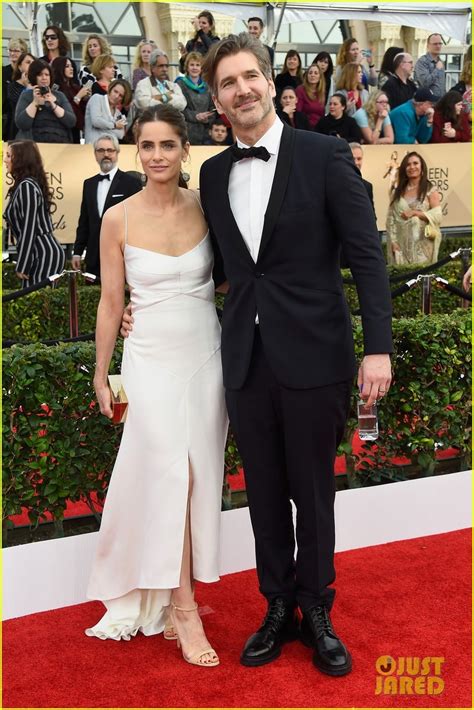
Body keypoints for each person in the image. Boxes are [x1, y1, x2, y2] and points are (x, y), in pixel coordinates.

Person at [197, 33, 392, 674]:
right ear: (217, 99)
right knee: (263, 491)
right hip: (246, 361)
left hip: (316, 355)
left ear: (267, 82)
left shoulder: (326, 154)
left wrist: (379, 350)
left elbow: (366, 258)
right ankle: (277, 603)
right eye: (227, 83)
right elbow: (224, 269)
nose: (241, 90)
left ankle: (318, 606)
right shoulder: (214, 172)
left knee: (313, 491)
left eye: (249, 76)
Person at [87, 104, 228, 670]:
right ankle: (184, 608)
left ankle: (175, 591)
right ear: (135, 152)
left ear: (184, 149)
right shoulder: (117, 218)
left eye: (167, 145)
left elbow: (233, 278)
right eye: (146, 146)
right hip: (149, 359)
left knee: (199, 478)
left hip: (206, 355)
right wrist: (101, 373)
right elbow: (109, 302)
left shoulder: (207, 208)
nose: (157, 156)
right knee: (176, 471)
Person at [72, 134, 142, 281]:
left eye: (110, 150)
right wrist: (77, 252)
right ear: (95, 154)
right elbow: (84, 221)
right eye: (101, 150)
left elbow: (137, 223)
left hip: (122, 258)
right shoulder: (88, 184)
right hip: (93, 259)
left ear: (117, 153)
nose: (106, 154)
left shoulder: (131, 183)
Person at [3, 140, 65, 286]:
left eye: (8, 156)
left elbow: (29, 228)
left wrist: (23, 263)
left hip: (42, 255)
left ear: (20, 159)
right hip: (39, 253)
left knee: (38, 304)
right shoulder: (25, 185)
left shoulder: (27, 186)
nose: (5, 159)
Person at [386, 151, 442, 266]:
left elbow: (437, 215)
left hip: (423, 247)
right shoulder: (397, 192)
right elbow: (391, 218)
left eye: (415, 163)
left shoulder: (429, 189)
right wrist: (393, 242)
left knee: (421, 278)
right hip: (401, 246)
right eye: (408, 164)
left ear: (422, 167)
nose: (412, 167)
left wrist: (415, 213)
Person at [15, 59, 76, 143]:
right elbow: (22, 124)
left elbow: (71, 121)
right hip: (33, 146)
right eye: (40, 75)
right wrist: (35, 102)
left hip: (60, 145)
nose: (44, 78)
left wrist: (53, 104)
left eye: (47, 75)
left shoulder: (60, 95)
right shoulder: (26, 95)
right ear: (34, 77)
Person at [176, 52, 215, 145]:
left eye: (198, 65)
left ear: (201, 68)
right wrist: (195, 116)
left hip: (206, 133)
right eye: (192, 65)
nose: (195, 68)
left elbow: (213, 107)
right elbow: (179, 109)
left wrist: (208, 117)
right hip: (187, 131)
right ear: (187, 67)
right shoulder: (180, 84)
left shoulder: (207, 85)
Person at [52, 56, 91, 143]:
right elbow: (66, 112)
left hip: (76, 131)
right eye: (67, 66)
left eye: (71, 66)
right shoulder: (56, 90)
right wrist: (78, 97)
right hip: (62, 132)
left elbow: (81, 112)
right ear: (59, 68)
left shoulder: (75, 87)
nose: (71, 68)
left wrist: (85, 99)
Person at [134, 50, 186, 114]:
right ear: (152, 68)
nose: (165, 69)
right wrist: (169, 96)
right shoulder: (143, 84)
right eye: (161, 66)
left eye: (166, 66)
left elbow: (182, 104)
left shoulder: (173, 86)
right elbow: (145, 104)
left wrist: (159, 97)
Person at [84, 78, 131, 144]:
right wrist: (114, 126)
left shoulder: (119, 114)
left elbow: (121, 134)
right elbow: (96, 121)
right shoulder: (97, 98)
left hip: (111, 150)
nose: (116, 96)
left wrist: (102, 126)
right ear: (110, 89)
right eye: (115, 91)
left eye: (121, 95)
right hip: (93, 147)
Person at [4, 52, 35, 141]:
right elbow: (19, 104)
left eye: (33, 63)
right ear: (20, 67)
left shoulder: (37, 85)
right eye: (28, 62)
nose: (31, 65)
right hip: (17, 130)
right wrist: (27, 88)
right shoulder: (12, 86)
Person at [414, 33, 446, 98]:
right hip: (427, 103)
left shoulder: (440, 62)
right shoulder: (422, 61)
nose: (438, 46)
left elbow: (442, 86)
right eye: (435, 44)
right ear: (428, 45)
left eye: (440, 43)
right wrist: (437, 69)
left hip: (440, 102)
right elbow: (425, 83)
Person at [295, 64, 325, 129]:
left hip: (319, 127)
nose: (312, 75)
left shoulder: (322, 92)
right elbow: (298, 112)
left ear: (320, 77)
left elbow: (323, 114)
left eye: (316, 73)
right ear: (307, 75)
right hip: (305, 127)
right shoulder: (300, 90)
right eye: (310, 73)